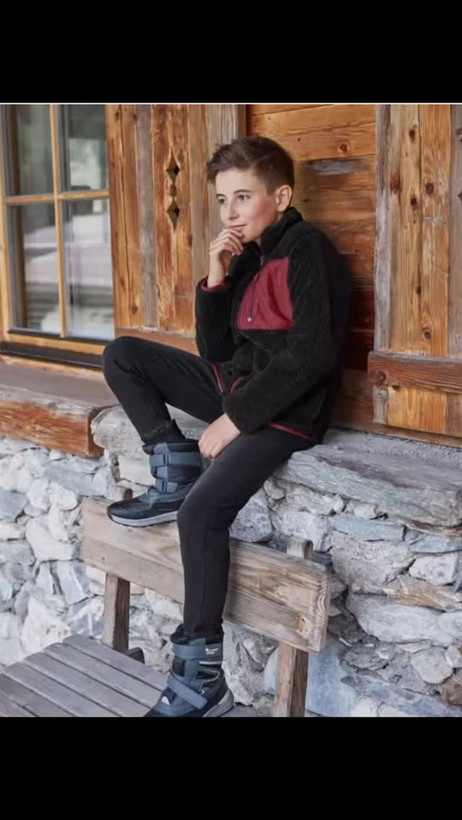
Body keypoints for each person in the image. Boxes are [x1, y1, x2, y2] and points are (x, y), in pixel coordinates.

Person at [102, 135, 352, 717]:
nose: (230, 212)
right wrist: (216, 277)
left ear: (280, 197)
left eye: (243, 197)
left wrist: (233, 421)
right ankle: (174, 468)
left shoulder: (308, 252)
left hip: (288, 412)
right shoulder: (248, 256)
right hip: (238, 388)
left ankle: (200, 679)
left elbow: (312, 356)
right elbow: (215, 351)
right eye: (222, 200)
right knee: (123, 355)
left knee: (200, 515)